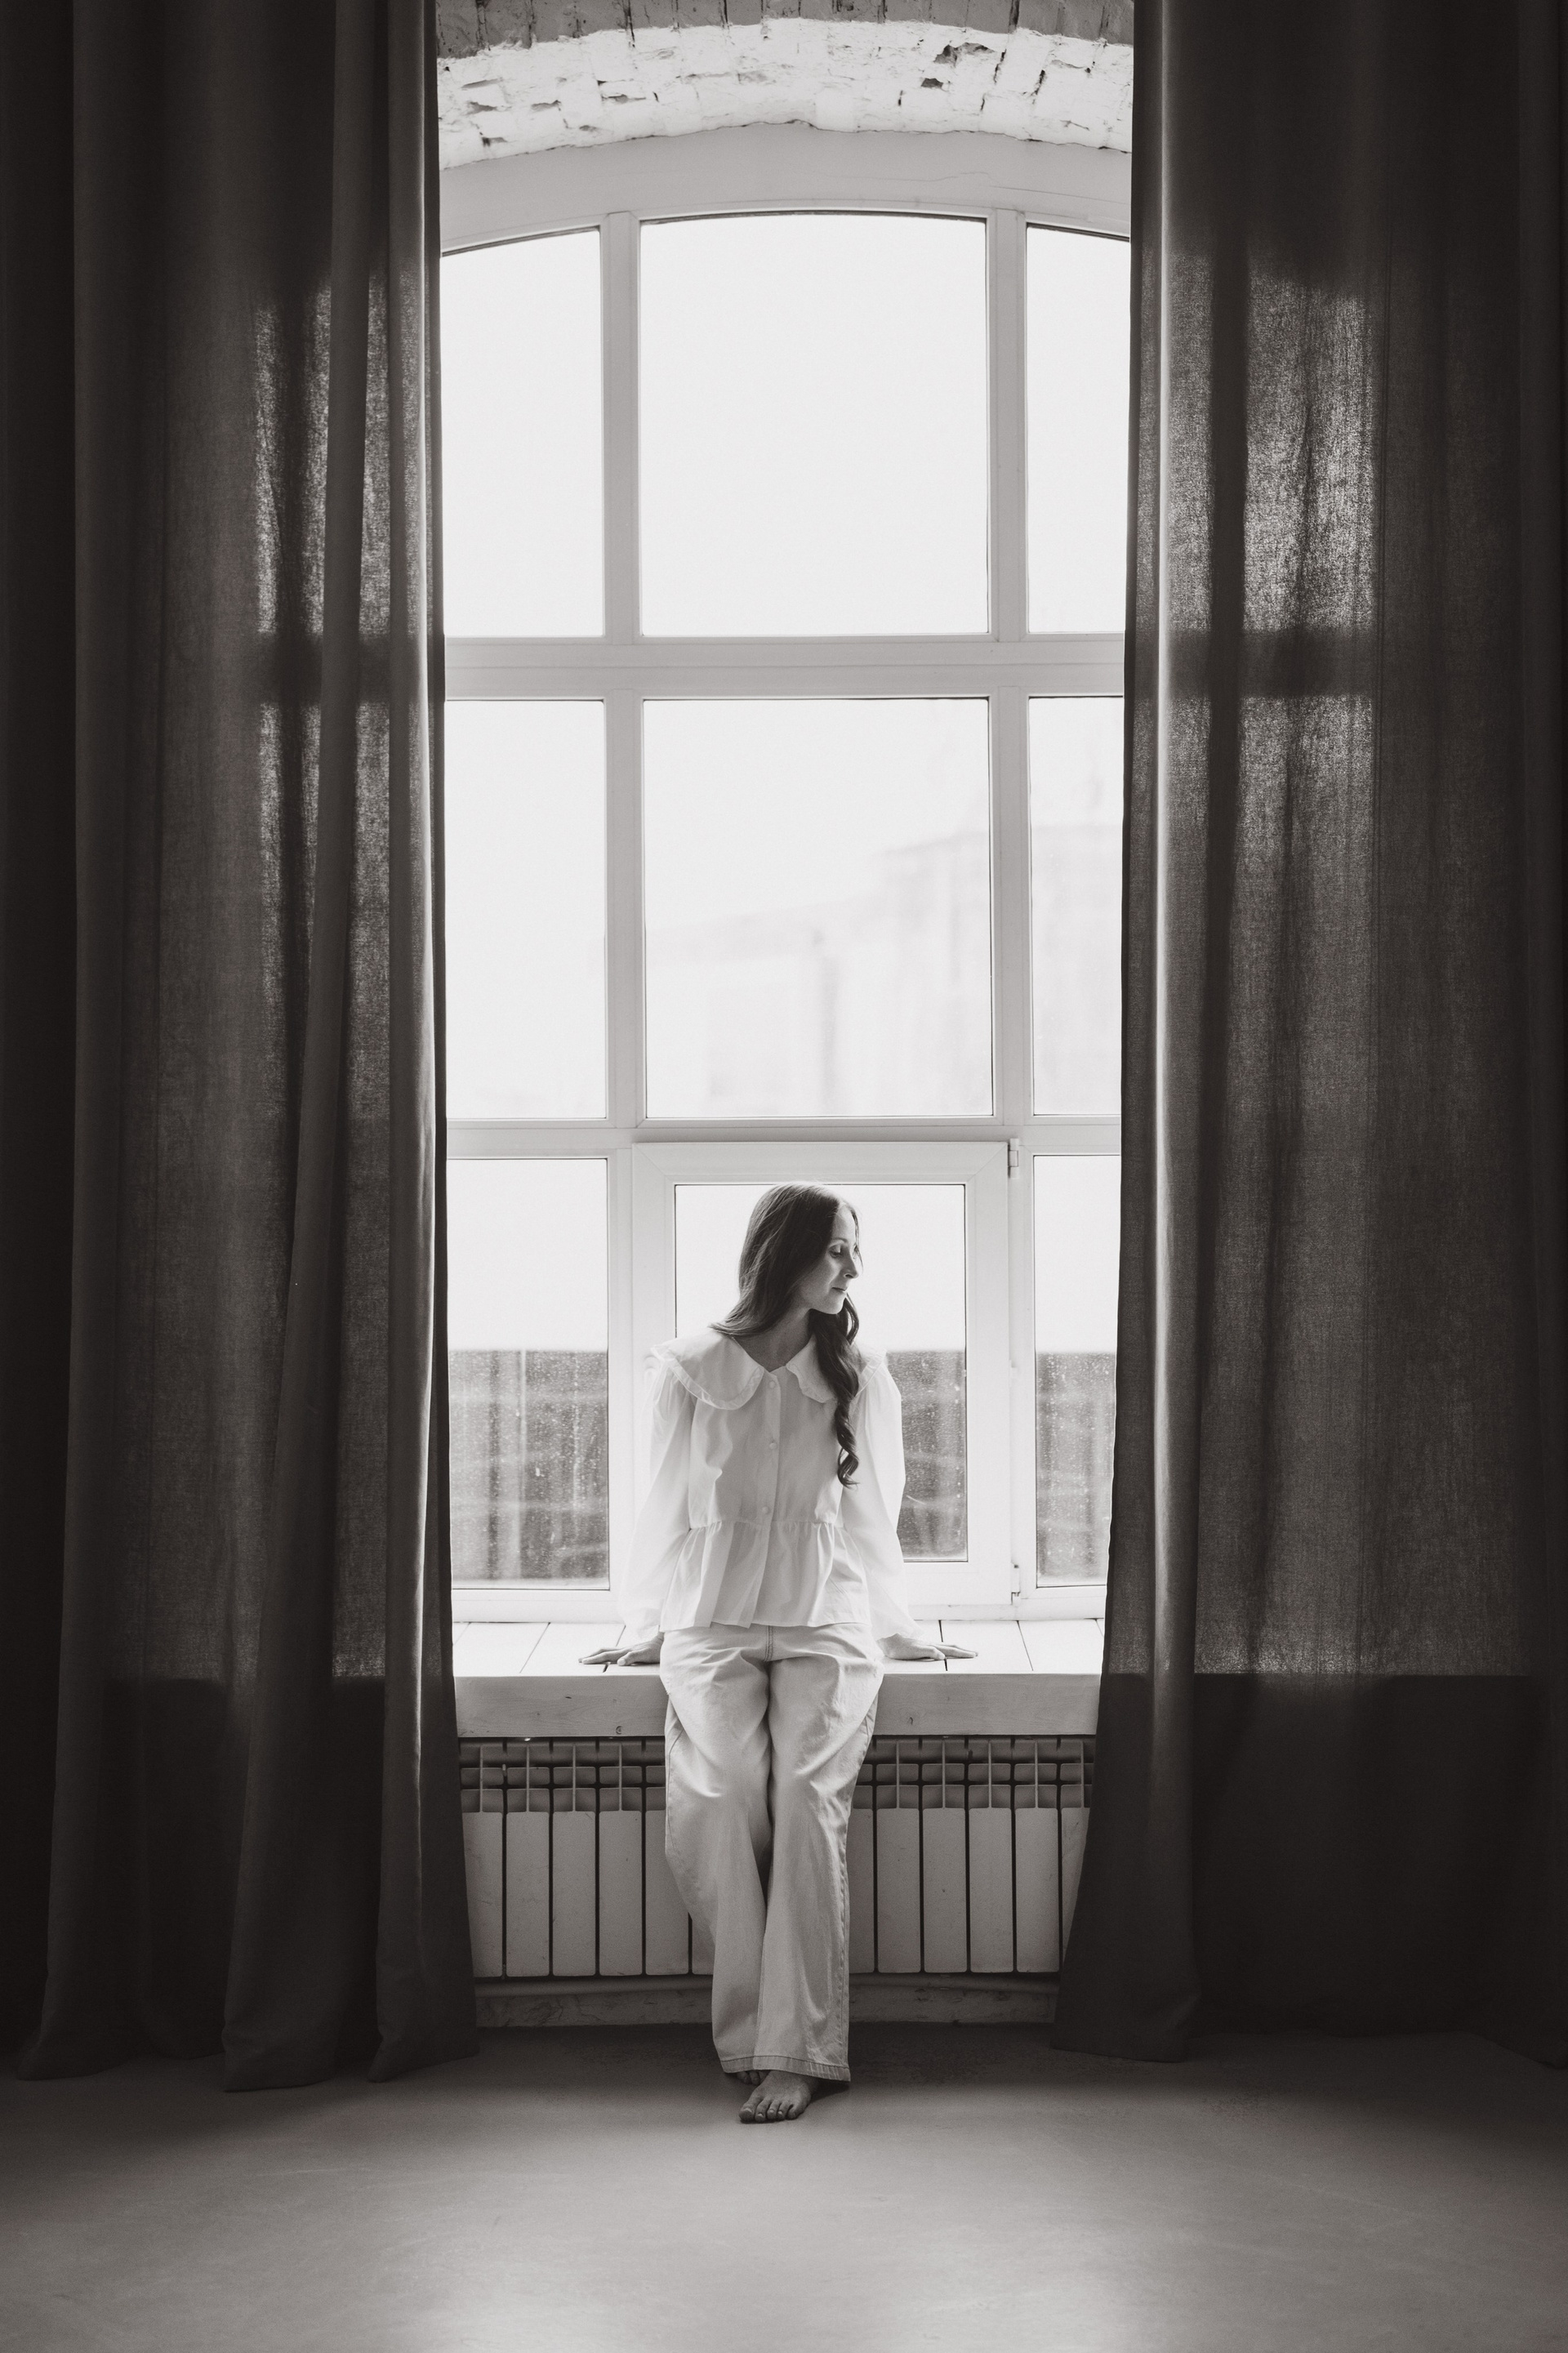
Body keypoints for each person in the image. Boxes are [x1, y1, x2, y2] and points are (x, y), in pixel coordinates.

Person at [583, 1183, 973, 2123]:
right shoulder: (689, 1370)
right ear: (783, 1252)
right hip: (708, 1621)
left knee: (804, 1797)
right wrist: (645, 1623)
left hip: (826, 1622)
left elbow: (874, 1514)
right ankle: (753, 2032)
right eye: (837, 1248)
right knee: (720, 1798)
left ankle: (798, 2053)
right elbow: (661, 1509)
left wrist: (898, 1623)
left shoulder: (858, 1373)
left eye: (853, 1249)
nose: (853, 1267)